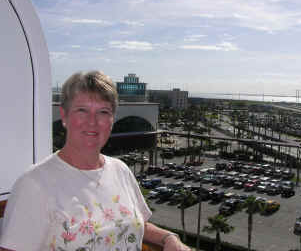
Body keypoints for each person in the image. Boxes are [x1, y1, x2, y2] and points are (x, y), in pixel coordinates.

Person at [0, 71, 190, 251]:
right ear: (64, 116)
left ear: (112, 119)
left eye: (103, 112)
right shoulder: (34, 184)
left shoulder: (120, 170)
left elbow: (132, 223)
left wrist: (168, 237)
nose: (93, 121)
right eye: (82, 110)